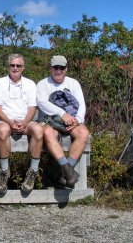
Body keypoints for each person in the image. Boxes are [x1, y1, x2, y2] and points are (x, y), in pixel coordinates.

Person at [0, 54, 43, 194]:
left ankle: (32, 171)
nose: (15, 68)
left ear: (23, 67)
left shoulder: (30, 84)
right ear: (8, 66)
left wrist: (25, 122)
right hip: (5, 120)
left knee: (39, 130)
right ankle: (4, 171)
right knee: (2, 131)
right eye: (12, 65)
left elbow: (32, 107)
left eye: (18, 66)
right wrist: (9, 122)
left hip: (25, 121)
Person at [36, 55, 89, 188]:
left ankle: (65, 172)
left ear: (66, 68)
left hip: (71, 121)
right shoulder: (43, 84)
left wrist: (78, 120)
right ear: (50, 68)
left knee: (83, 133)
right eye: (55, 67)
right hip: (49, 121)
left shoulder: (73, 83)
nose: (58, 71)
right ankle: (67, 173)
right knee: (48, 133)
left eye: (62, 68)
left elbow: (81, 104)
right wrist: (62, 113)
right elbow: (42, 103)